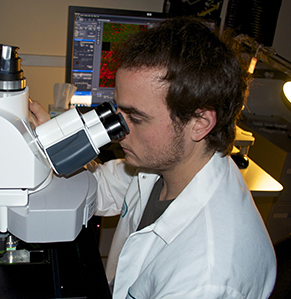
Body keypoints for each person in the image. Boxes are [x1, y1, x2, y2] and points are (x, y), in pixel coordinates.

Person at [30, 17, 276, 299]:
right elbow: (98, 189)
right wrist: (55, 146)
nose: (118, 131)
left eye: (135, 117)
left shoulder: (206, 278)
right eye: (118, 111)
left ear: (199, 123)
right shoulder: (166, 164)